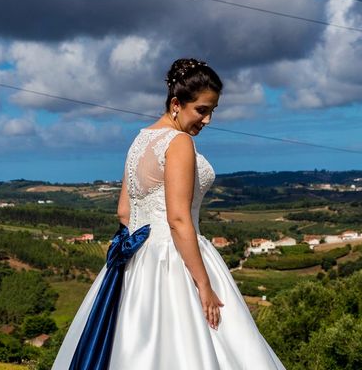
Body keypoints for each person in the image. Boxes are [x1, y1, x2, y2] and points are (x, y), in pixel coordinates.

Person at [52, 58, 286, 369]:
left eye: (212, 111)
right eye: (202, 110)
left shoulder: (140, 140)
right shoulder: (179, 142)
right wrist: (203, 284)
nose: (207, 120)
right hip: (178, 259)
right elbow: (178, 220)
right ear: (176, 103)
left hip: (136, 263)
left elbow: (124, 211)